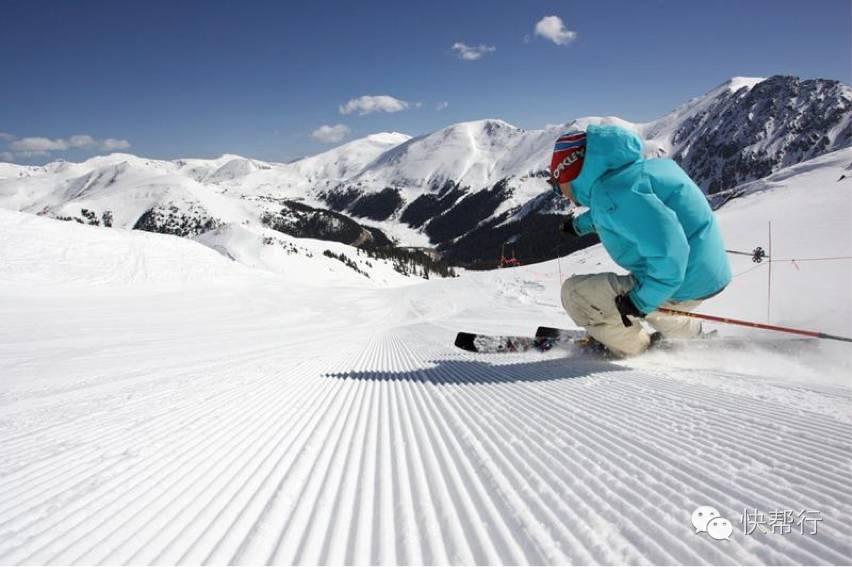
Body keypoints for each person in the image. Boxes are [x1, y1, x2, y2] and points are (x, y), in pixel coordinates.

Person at [548, 124, 731, 356]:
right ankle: (689, 335)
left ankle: (633, 347)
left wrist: (639, 302)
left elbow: (670, 252)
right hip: (706, 275)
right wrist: (578, 226)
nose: (559, 193)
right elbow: (622, 212)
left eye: (556, 185)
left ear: (568, 171)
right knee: (659, 297)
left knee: (574, 293)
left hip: (680, 279)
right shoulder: (639, 173)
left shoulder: (613, 193)